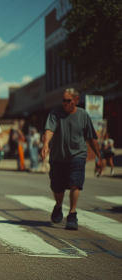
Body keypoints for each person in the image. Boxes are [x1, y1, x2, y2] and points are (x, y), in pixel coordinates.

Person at [41, 88, 103, 230]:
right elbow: (49, 129)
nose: (65, 103)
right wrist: (46, 145)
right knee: (58, 189)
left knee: (75, 183)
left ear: (76, 100)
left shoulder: (83, 115)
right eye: (63, 100)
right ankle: (58, 206)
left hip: (78, 155)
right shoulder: (55, 113)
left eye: (68, 101)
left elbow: (91, 138)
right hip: (58, 157)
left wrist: (99, 155)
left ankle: (72, 214)